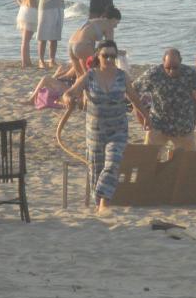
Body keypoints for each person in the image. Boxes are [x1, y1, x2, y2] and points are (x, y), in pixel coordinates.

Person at [62, 40, 147, 214]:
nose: (109, 59)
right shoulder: (89, 76)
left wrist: (146, 116)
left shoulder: (122, 76)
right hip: (95, 131)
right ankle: (98, 205)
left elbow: (134, 97)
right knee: (96, 169)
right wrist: (68, 98)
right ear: (97, 56)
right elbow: (70, 92)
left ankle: (104, 202)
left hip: (118, 129)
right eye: (105, 55)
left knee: (113, 162)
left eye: (112, 56)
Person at [132, 48, 196, 152]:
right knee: (148, 156)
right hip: (158, 125)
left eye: (175, 68)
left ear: (181, 61)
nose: (171, 71)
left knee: (191, 158)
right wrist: (142, 114)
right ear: (163, 62)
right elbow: (132, 90)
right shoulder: (154, 73)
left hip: (183, 126)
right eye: (168, 68)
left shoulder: (190, 73)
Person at [67, 6, 121, 77]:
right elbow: (109, 46)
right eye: (117, 23)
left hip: (71, 44)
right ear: (113, 19)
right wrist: (120, 52)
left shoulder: (94, 21)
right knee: (100, 67)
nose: (116, 26)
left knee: (80, 76)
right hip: (82, 45)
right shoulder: (109, 25)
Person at [12, 0, 39, 68]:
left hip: (23, 10)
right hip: (30, 11)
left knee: (25, 40)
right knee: (26, 40)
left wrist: (20, 3)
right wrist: (36, 8)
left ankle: (27, 62)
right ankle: (25, 63)